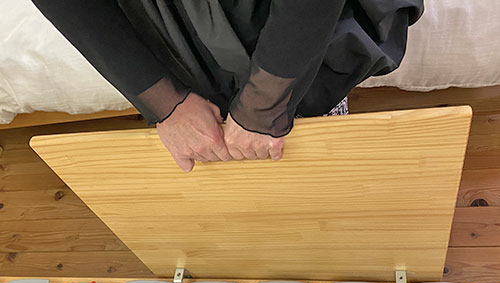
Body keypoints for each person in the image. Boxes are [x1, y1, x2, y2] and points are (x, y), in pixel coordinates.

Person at [32, 0, 423, 172]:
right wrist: (168, 106)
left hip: (287, 24)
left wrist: (262, 108)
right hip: (169, 32)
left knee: (312, 145)